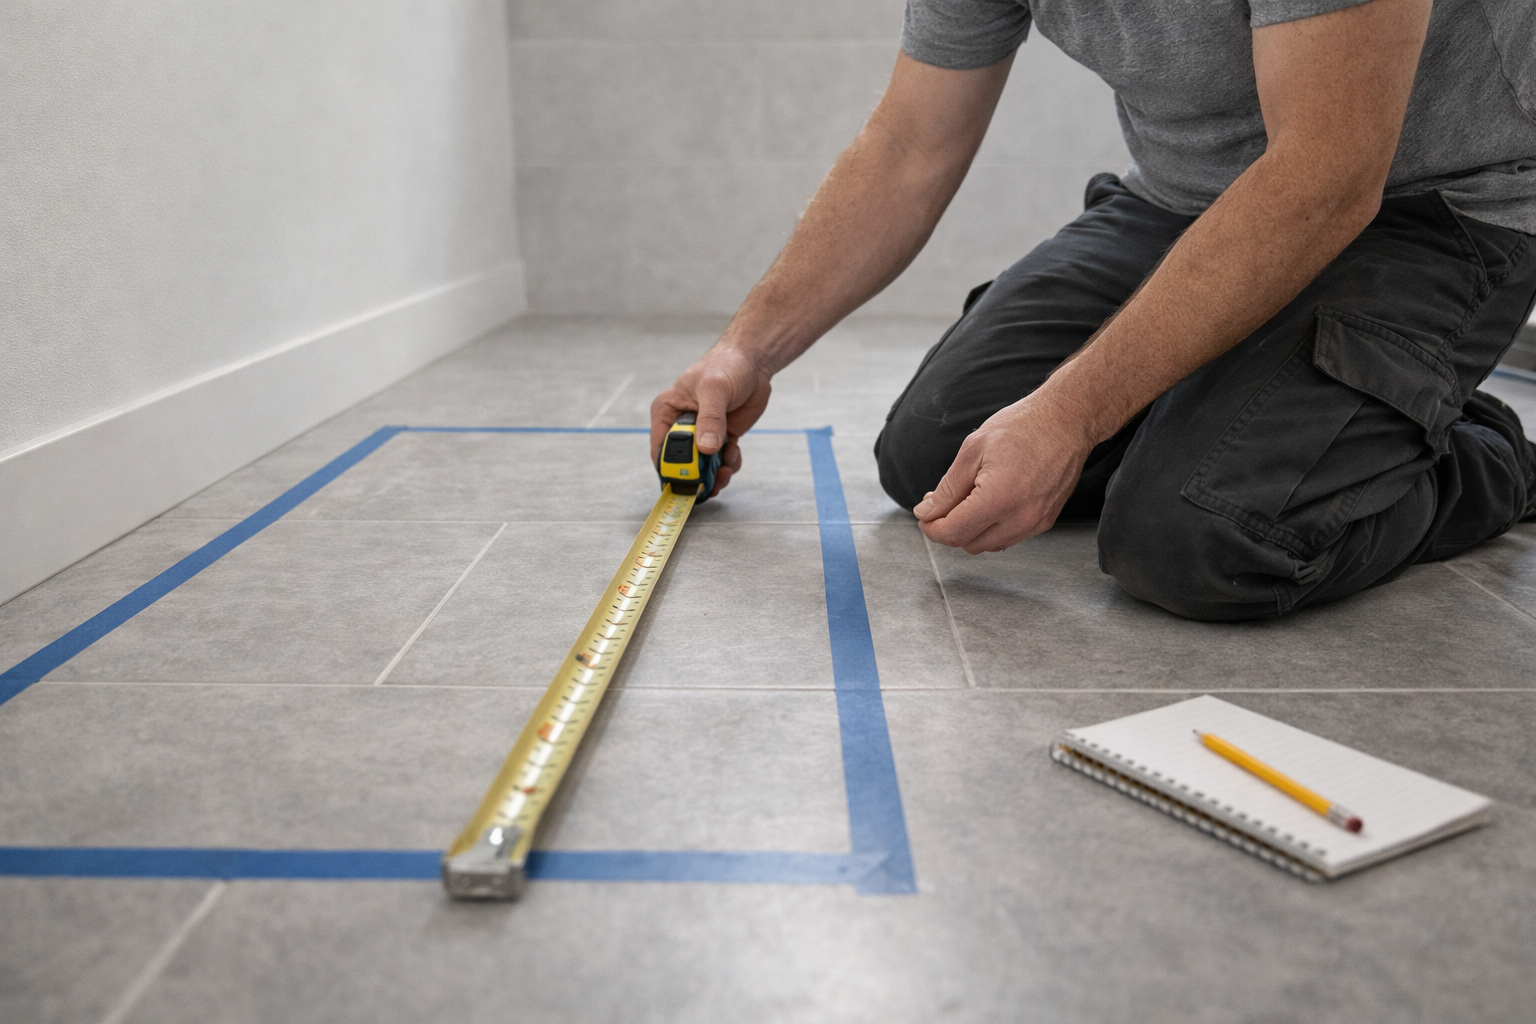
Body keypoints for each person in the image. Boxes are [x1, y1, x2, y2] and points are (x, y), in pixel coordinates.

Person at [649, 0, 1536, 621]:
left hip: (1424, 206)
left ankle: (1490, 455)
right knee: (932, 452)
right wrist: (747, 351)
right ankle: (1275, 406)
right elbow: (910, 145)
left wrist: (1072, 414)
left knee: (1200, 538)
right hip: (1182, 198)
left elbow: (1327, 175)